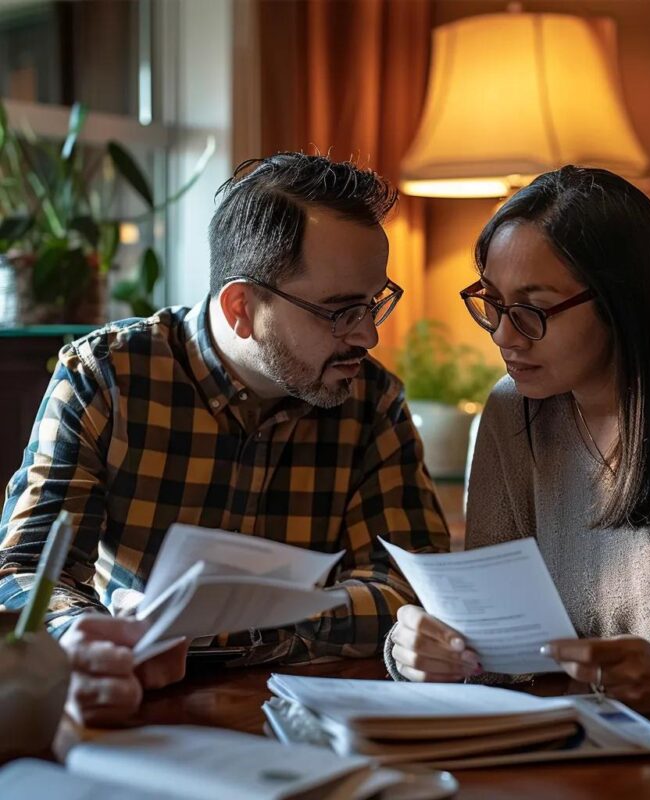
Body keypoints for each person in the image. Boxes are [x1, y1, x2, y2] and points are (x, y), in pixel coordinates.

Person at [0, 153, 448, 726]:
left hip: (306, 717)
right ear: (242, 308)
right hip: (135, 708)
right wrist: (83, 636)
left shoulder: (372, 402)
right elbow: (26, 572)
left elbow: (412, 587)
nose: (369, 333)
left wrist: (230, 628)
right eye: (340, 312)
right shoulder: (107, 377)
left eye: (374, 301)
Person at [386, 165, 650, 711]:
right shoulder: (512, 409)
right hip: (573, 743)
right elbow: (494, 638)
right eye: (493, 304)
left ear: (618, 302)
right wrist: (421, 650)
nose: (505, 336)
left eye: (532, 309)